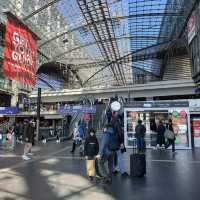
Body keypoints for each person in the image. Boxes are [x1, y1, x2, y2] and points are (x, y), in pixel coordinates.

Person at [111, 112, 128, 176]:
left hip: (112, 143)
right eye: (117, 113)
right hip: (117, 142)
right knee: (120, 157)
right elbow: (120, 133)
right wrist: (121, 143)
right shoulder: (117, 123)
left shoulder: (110, 122)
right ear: (115, 115)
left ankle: (114, 169)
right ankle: (122, 171)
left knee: (113, 157)